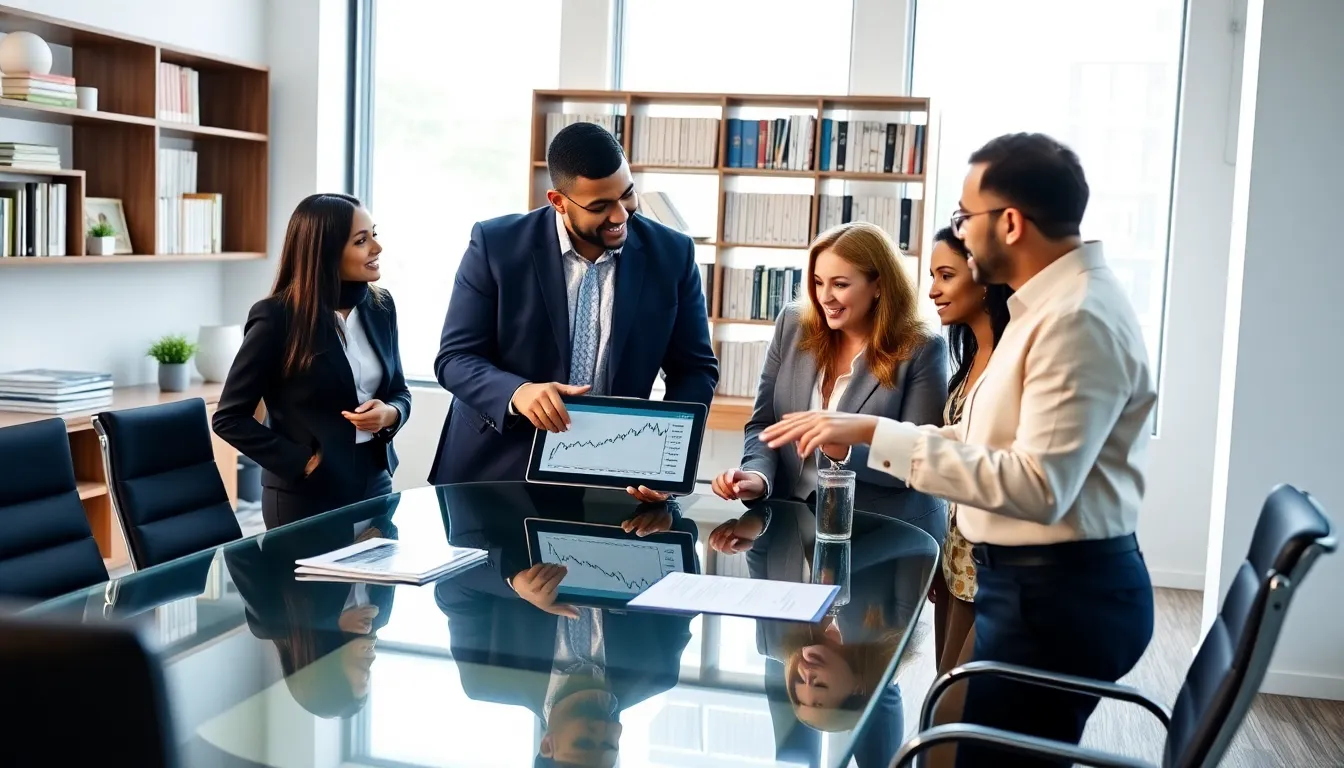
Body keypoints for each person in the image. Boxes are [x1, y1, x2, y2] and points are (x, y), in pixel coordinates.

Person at [759, 132, 1157, 767]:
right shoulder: (1042, 310)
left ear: (1010, 223)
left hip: (1057, 596)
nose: (959, 235)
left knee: (960, 749)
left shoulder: (1075, 319)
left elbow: (1037, 487)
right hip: (1028, 584)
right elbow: (980, 440)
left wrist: (870, 434)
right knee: (943, 735)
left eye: (966, 218)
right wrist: (862, 430)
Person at [429, 121, 718, 502]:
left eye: (626, 195)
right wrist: (518, 392)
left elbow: (694, 368)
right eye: (599, 206)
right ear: (558, 201)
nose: (620, 216)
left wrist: (669, 458)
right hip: (494, 472)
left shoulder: (672, 254)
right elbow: (455, 358)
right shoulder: (495, 245)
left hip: (615, 478)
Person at [709, 221, 948, 543]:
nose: (825, 297)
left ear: (878, 285)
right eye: (818, 282)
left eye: (840, 284)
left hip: (882, 533)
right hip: (787, 526)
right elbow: (765, 423)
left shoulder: (921, 348)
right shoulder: (793, 324)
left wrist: (844, 450)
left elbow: (917, 464)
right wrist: (757, 476)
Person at [213, 193, 411, 529]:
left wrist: (390, 414)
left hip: (375, 480)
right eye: (361, 240)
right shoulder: (277, 317)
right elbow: (229, 418)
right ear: (327, 252)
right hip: (306, 491)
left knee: (377, 583)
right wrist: (302, 461)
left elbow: (400, 392)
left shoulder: (381, 307)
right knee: (317, 585)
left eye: (374, 235)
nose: (377, 248)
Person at [925, 226, 1013, 768]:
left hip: (994, 568)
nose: (933, 289)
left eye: (946, 275)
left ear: (983, 280)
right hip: (957, 562)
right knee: (942, 705)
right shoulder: (967, 358)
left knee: (960, 723)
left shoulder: (1010, 361)